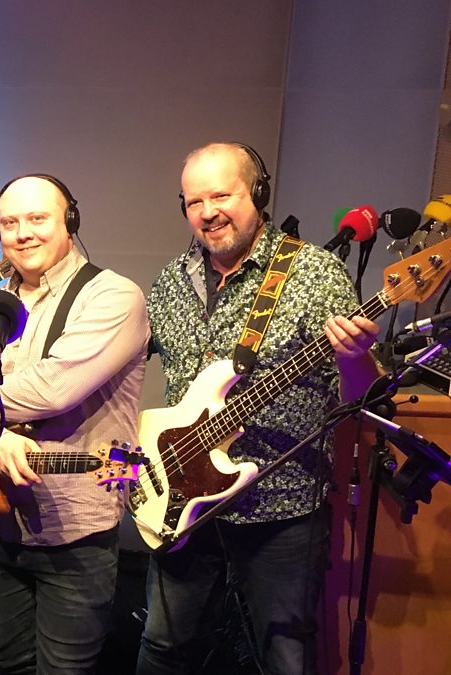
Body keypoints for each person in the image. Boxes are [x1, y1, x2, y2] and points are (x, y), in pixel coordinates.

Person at [136, 142, 380, 675]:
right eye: (194, 201)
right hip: (179, 496)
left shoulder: (313, 273)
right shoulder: (171, 280)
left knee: (285, 656)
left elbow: (362, 397)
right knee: (163, 647)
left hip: (280, 503)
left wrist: (357, 357)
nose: (207, 212)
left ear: (259, 194)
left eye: (222, 195)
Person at [0, 175, 149, 674]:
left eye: (37, 219)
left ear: (69, 221)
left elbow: (52, 390)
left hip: (76, 533)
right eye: (10, 223)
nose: (23, 233)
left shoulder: (114, 296)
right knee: (9, 665)